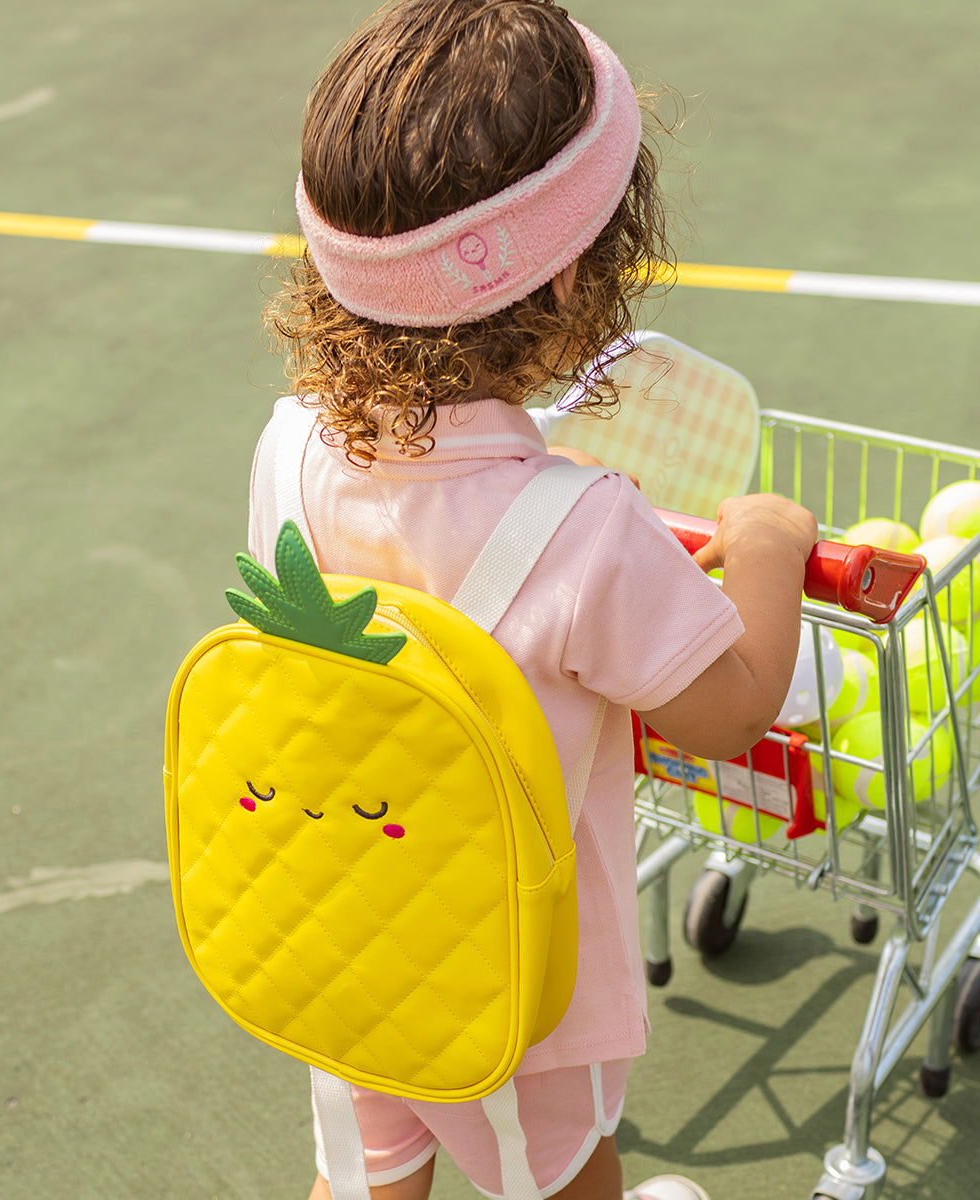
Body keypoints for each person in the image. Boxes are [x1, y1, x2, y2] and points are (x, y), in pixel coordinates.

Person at [250, 2, 818, 1197]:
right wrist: (766, 546)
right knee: (556, 1172)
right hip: (505, 961)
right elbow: (725, 717)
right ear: (571, 283)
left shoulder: (288, 440)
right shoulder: (585, 526)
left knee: (369, 1162)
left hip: (338, 905)